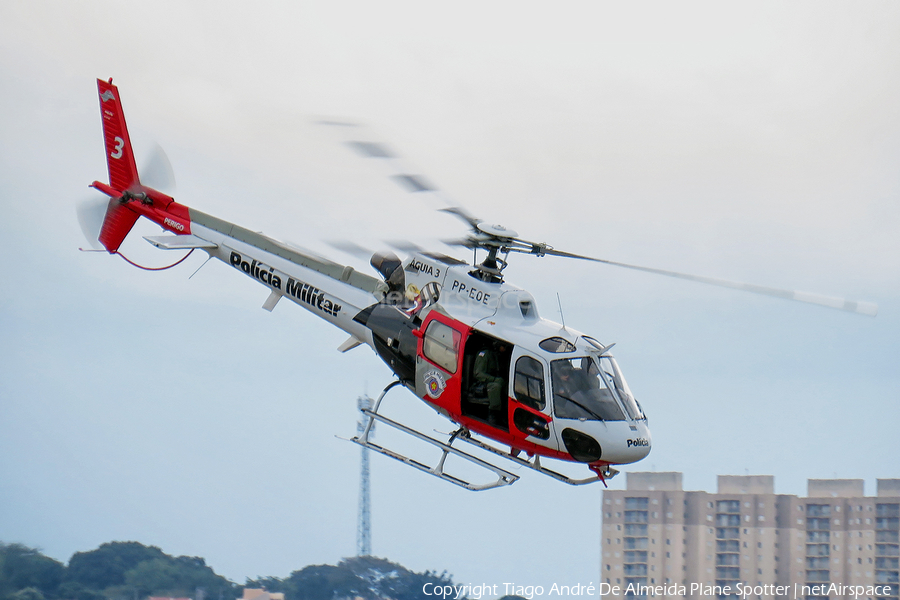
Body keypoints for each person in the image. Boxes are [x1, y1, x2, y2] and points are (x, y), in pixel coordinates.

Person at [473, 342, 507, 426]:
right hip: (481, 384)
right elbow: (478, 374)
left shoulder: (497, 356)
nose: (504, 349)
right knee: (496, 387)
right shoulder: (485, 354)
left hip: (492, 381)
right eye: (504, 346)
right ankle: (493, 414)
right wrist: (494, 379)